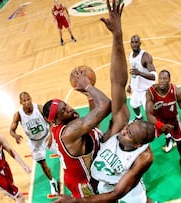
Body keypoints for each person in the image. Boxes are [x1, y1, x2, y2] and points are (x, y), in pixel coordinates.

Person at [55, 1, 156, 202]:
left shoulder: (143, 157)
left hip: (124, 191)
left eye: (128, 134)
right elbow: (118, 82)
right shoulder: (119, 128)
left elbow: (117, 193)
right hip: (100, 185)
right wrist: (117, 36)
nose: (124, 130)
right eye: (128, 127)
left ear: (137, 144)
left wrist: (77, 202)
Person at [42, 68, 111, 197]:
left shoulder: (66, 126)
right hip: (84, 184)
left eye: (66, 105)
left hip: (89, 174)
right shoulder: (70, 131)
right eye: (63, 111)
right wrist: (88, 86)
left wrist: (90, 97)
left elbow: (93, 122)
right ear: (57, 120)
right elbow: (106, 105)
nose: (69, 109)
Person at [9, 92, 59, 195]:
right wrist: (16, 136)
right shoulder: (18, 114)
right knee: (43, 164)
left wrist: (51, 135)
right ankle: (52, 181)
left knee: (62, 154)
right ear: (21, 102)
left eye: (28, 99)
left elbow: (50, 122)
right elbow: (11, 131)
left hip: (46, 136)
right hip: (34, 142)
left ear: (31, 99)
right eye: (24, 101)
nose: (27, 102)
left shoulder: (39, 108)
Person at [145, 70, 181, 176]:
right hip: (158, 121)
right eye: (160, 78)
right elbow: (148, 114)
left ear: (169, 80)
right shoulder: (150, 92)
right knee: (145, 139)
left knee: (180, 142)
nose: (162, 81)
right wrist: (160, 126)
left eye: (165, 78)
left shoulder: (176, 92)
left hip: (173, 121)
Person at [127, 35, 157, 121]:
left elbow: (154, 76)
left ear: (140, 43)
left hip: (147, 91)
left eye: (136, 42)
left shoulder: (145, 57)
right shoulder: (131, 55)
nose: (134, 44)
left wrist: (139, 73)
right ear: (130, 44)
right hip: (137, 89)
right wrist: (130, 84)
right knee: (133, 105)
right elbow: (133, 72)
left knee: (150, 113)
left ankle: (165, 132)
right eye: (132, 42)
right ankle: (139, 117)